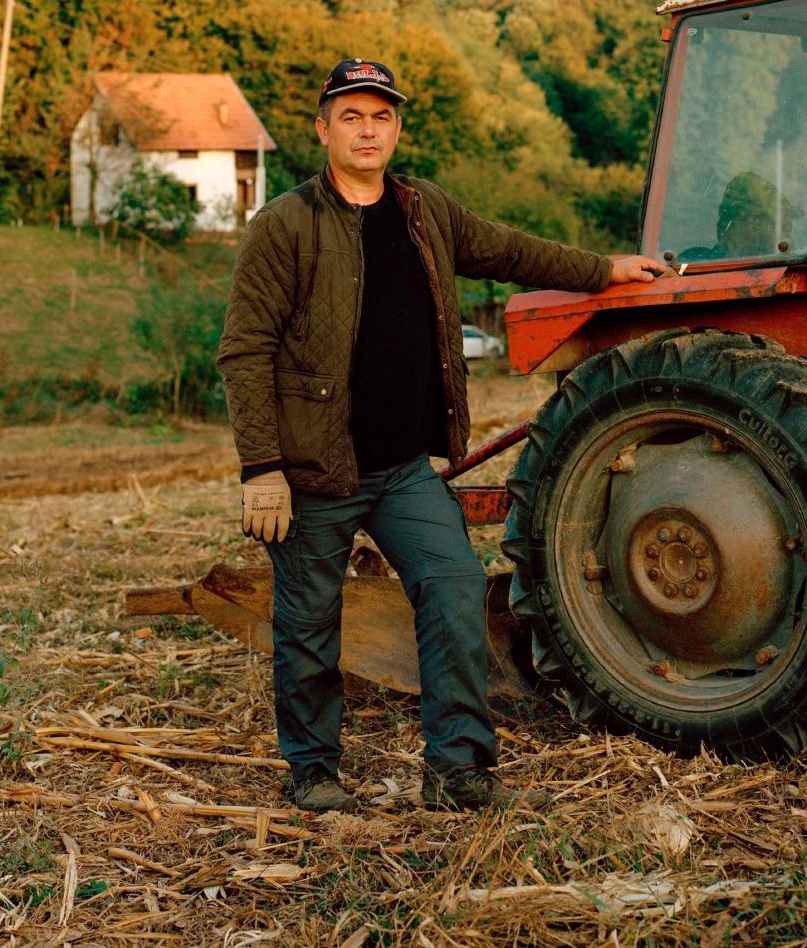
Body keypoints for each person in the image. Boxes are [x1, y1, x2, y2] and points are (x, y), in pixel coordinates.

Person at [217, 58, 665, 813]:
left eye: (381, 116)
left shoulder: (426, 210)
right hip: (315, 472)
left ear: (397, 128)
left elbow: (514, 251)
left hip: (402, 471)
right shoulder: (286, 225)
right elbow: (244, 349)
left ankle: (457, 767)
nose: (368, 129)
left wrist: (604, 271)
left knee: (454, 588)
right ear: (323, 128)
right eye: (351, 116)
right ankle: (315, 770)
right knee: (308, 623)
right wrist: (262, 467)